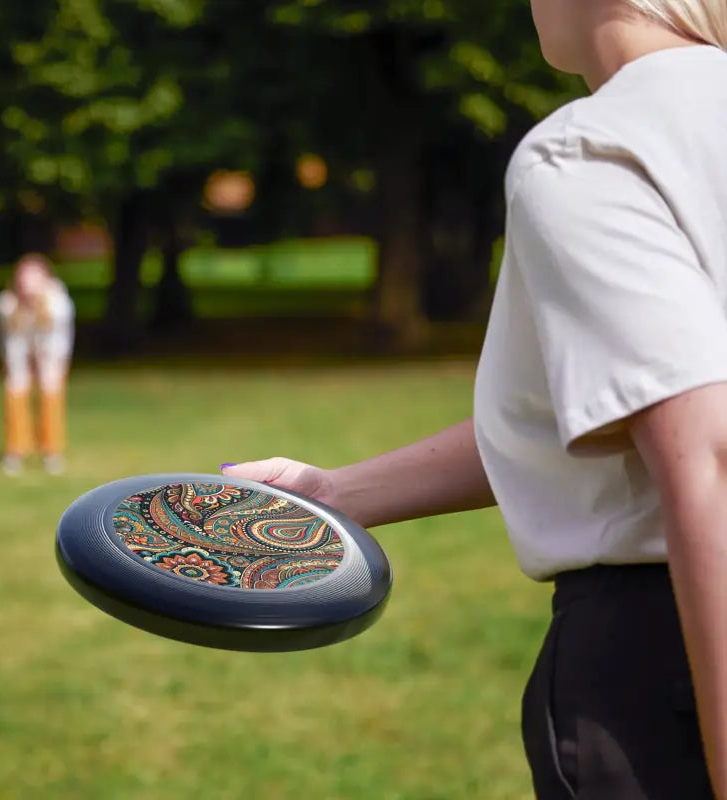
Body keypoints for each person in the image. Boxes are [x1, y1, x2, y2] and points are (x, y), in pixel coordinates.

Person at [219, 1, 727, 797]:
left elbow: (709, 458)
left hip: (669, 663)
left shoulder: (593, 149)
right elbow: (615, 408)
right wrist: (336, 494)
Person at [0, 253, 75, 476]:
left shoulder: (58, 302)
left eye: (33, 277)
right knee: (15, 391)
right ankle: (14, 451)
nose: (27, 283)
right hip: (18, 351)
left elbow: (54, 336)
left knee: (51, 393)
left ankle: (52, 451)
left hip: (51, 351)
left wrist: (38, 305)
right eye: (23, 277)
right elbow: (12, 339)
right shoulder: (6, 303)